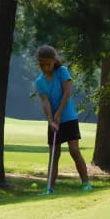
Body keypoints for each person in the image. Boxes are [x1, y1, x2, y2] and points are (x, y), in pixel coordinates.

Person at [35, 45, 93, 194]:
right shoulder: (39, 81)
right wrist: (50, 120)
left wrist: (59, 113)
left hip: (68, 116)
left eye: (48, 63)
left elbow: (67, 93)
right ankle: (50, 188)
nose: (45, 67)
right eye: (42, 64)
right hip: (53, 120)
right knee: (54, 154)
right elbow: (45, 101)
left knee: (74, 150)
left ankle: (86, 183)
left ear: (54, 61)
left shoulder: (62, 72)